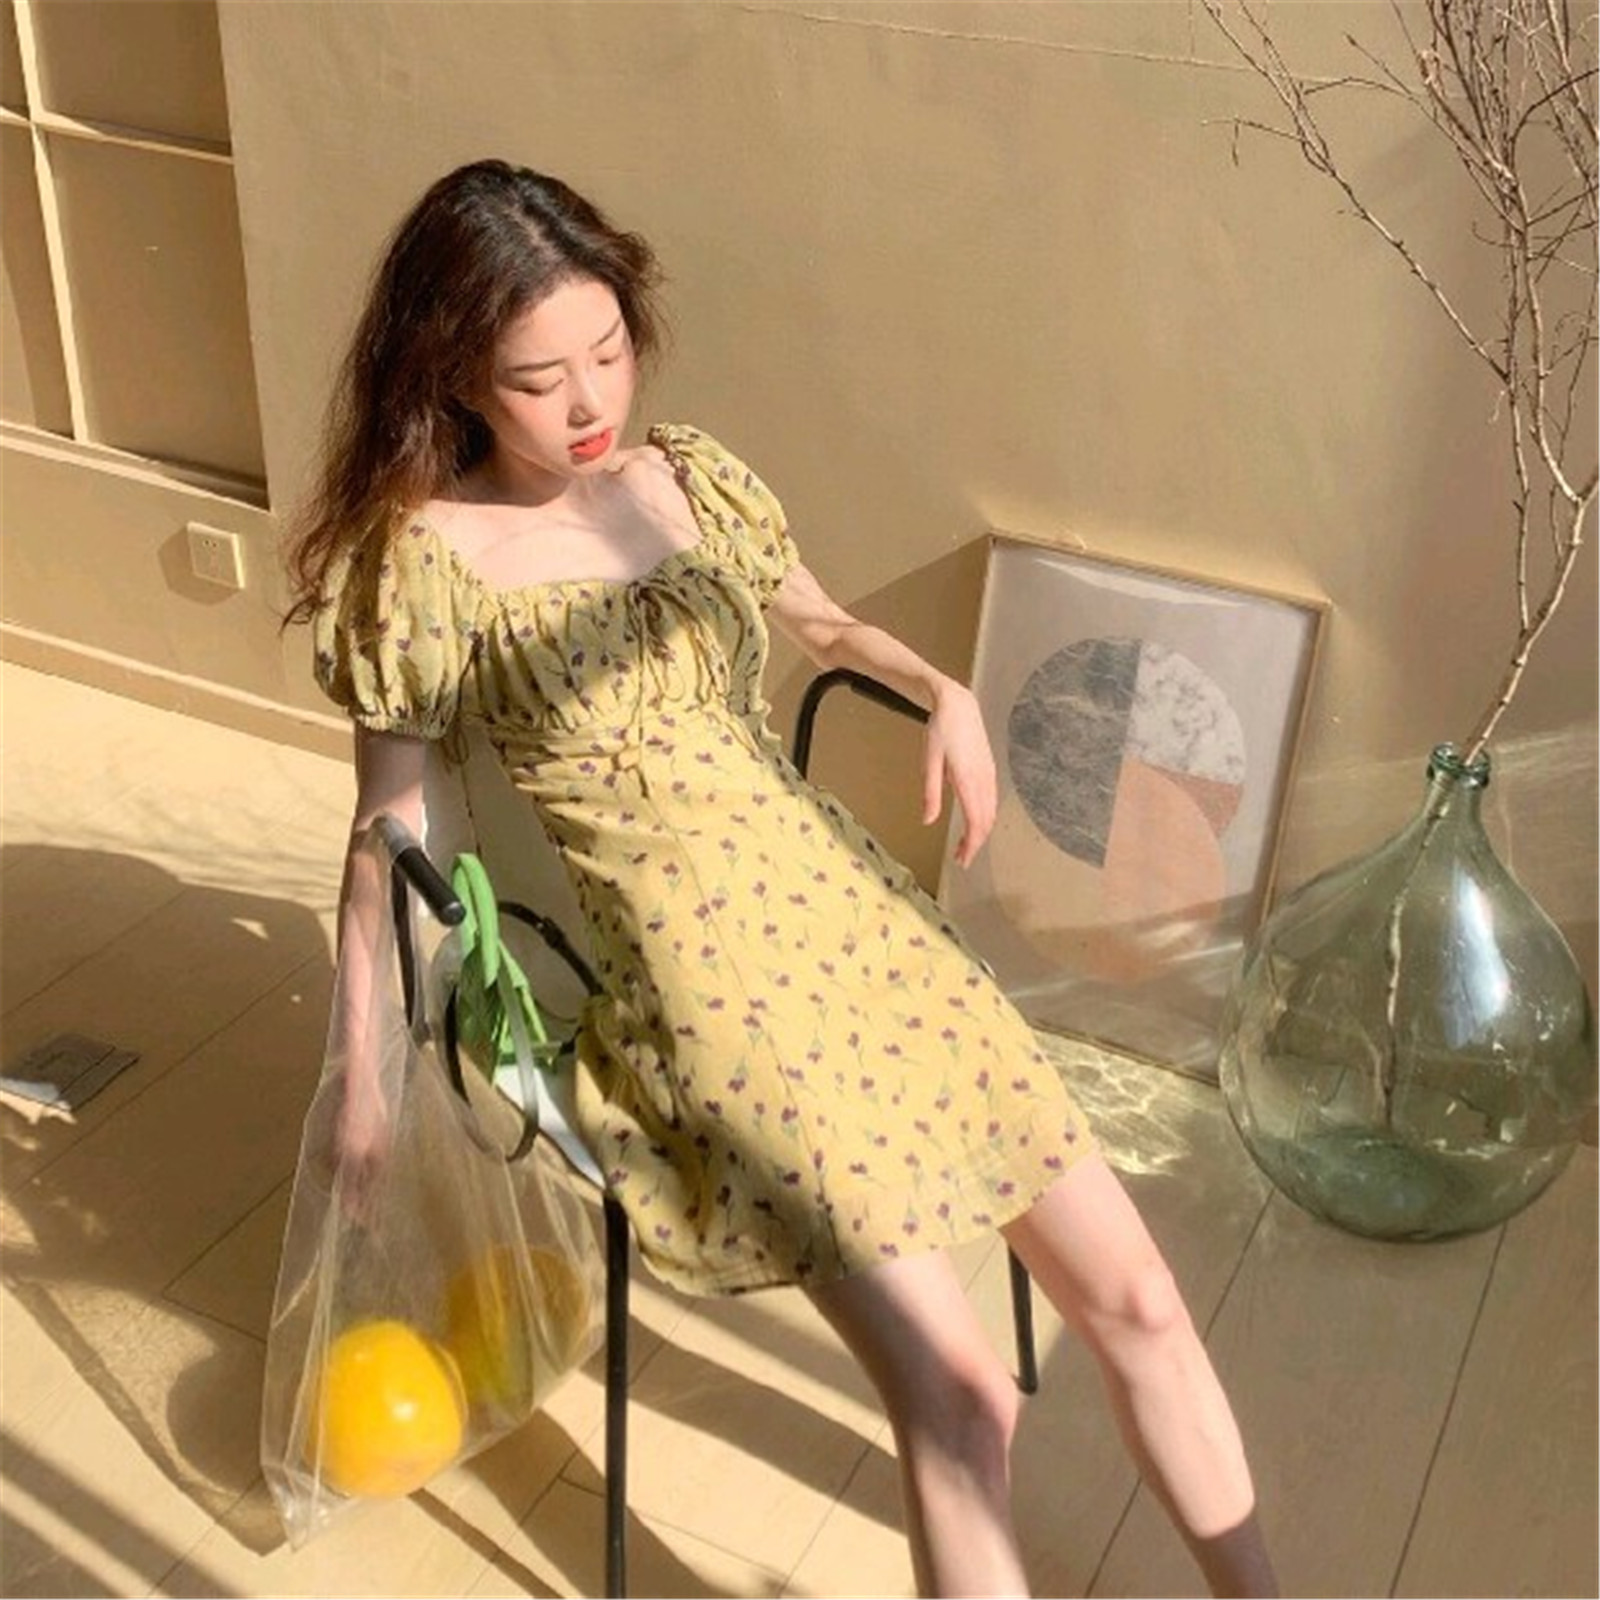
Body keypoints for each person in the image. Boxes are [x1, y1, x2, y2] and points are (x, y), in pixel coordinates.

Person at [287, 158, 1278, 1599]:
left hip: (851, 916)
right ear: (454, 378)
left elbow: (818, 623)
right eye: (539, 379)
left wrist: (938, 685)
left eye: (609, 350)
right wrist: (362, 1080)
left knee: (1139, 1299)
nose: (588, 401)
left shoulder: (683, 478)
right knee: (963, 1402)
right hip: (697, 991)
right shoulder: (425, 563)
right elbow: (386, 835)